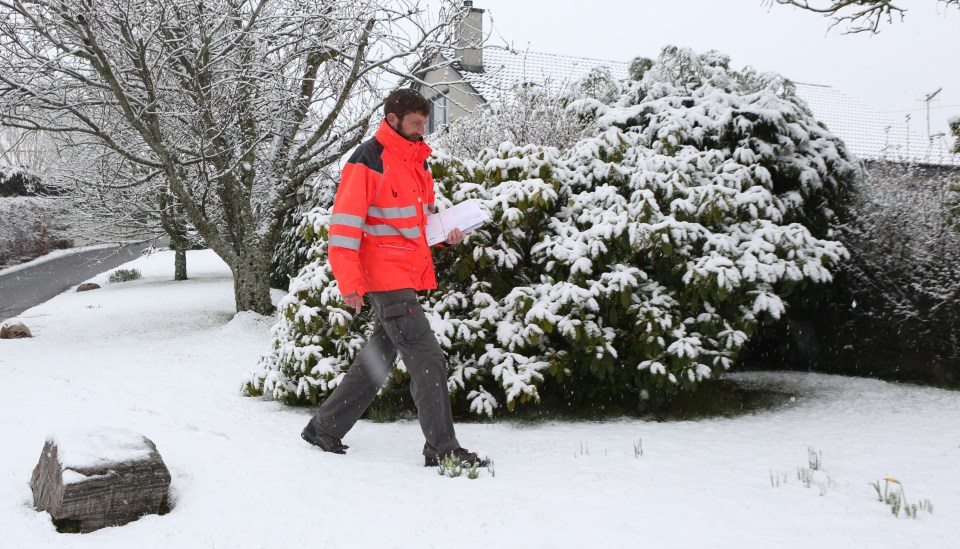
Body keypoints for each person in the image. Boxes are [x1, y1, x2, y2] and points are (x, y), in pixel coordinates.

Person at [301, 88, 487, 468]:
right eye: (416, 123)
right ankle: (442, 448)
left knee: (378, 357)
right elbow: (344, 230)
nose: (423, 131)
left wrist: (447, 235)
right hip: (385, 277)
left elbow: (416, 224)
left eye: (425, 123)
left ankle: (325, 426)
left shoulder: (418, 162)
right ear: (392, 119)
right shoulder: (368, 160)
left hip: (406, 272)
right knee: (428, 359)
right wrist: (350, 285)